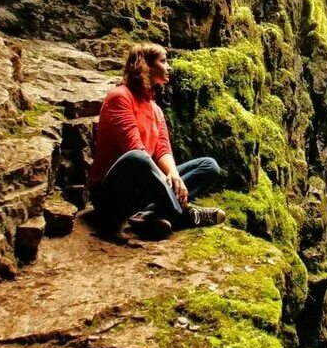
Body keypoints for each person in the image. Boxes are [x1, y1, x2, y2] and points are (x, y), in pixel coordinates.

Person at [87, 42, 225, 238]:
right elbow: (133, 148)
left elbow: (162, 149)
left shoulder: (155, 109)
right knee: (137, 157)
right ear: (146, 66)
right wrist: (165, 178)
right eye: (163, 61)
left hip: (143, 191)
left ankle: (148, 214)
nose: (168, 67)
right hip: (111, 194)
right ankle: (183, 213)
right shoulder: (120, 97)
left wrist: (174, 174)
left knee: (209, 166)